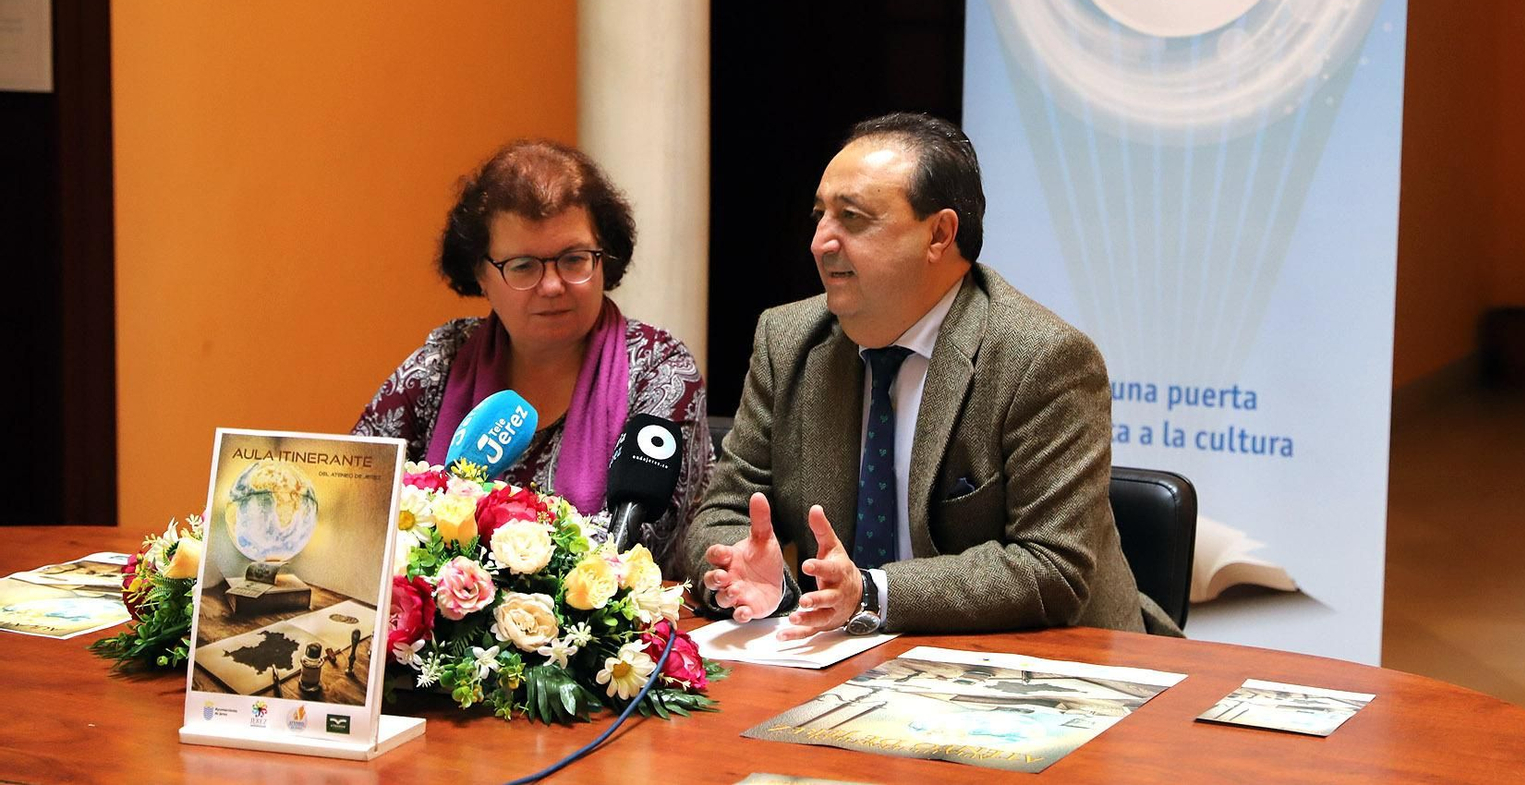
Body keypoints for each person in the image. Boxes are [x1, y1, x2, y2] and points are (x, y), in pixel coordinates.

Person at [688, 113, 1173, 636]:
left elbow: (1051, 568)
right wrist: (749, 576)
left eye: (851, 218)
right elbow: (726, 509)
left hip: (1043, 666)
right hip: (845, 662)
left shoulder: (1043, 359)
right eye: (819, 216)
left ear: (939, 234)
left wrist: (871, 594)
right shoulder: (787, 342)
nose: (820, 242)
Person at [355, 139, 712, 579]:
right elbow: (358, 492)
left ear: (605, 260)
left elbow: (639, 547)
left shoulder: (659, 366)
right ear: (481, 275)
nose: (552, 286)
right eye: (523, 266)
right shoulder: (444, 358)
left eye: (573, 259)